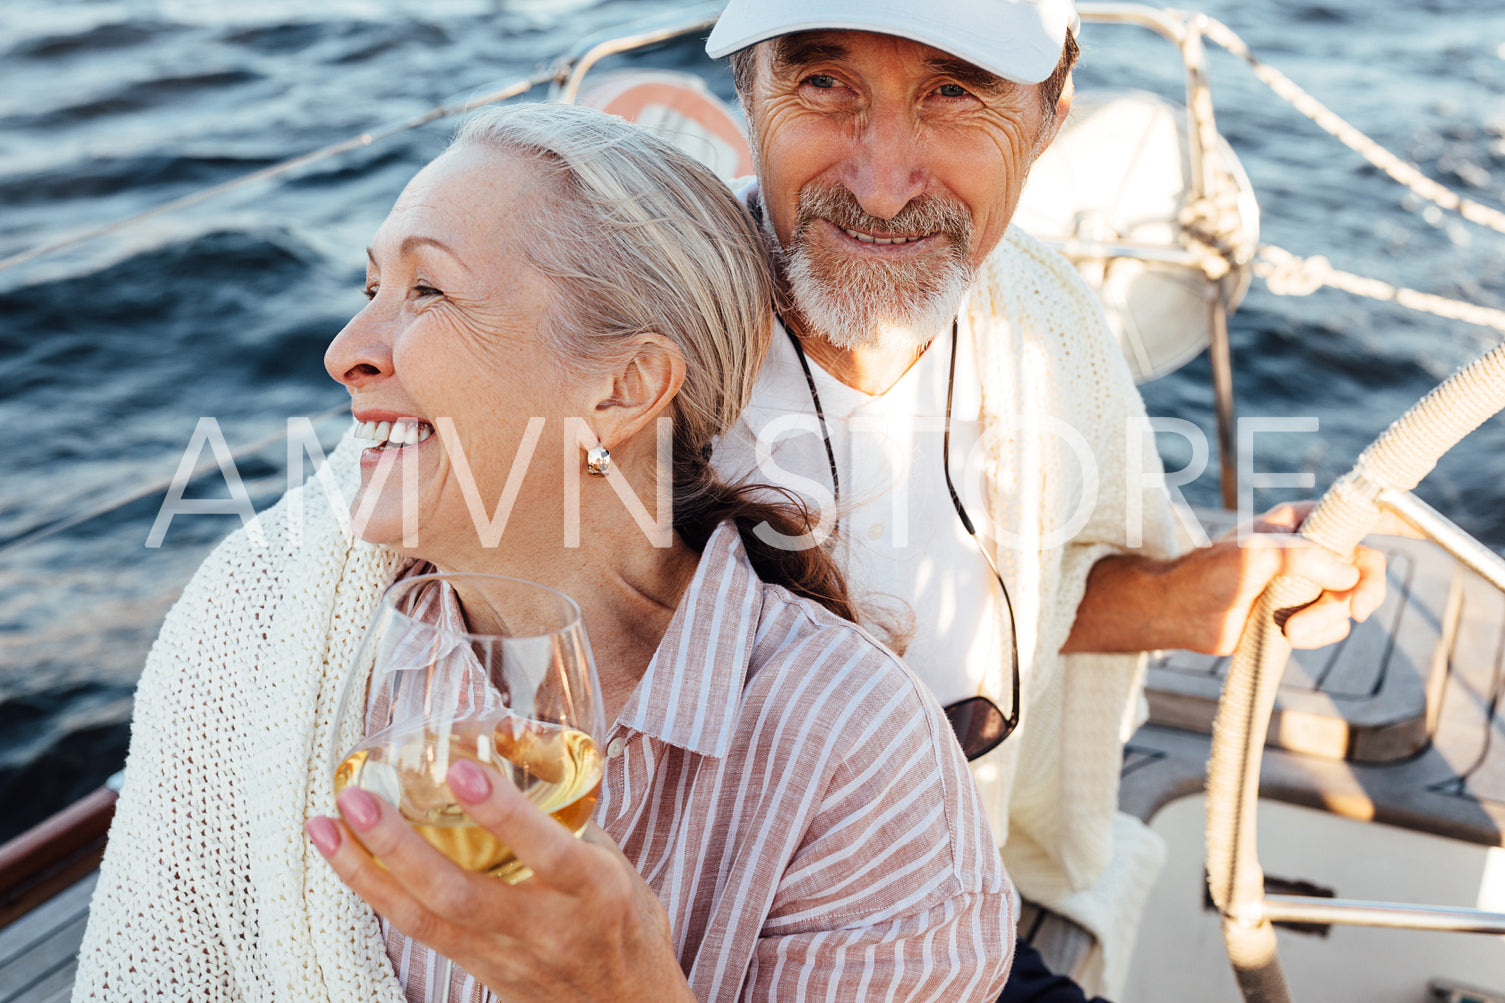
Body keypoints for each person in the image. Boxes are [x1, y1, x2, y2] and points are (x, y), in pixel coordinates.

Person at [72, 103, 1016, 1002]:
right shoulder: (266, 641)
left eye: (426, 289)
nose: (347, 350)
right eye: (371, 290)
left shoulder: (855, 753)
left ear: (624, 388)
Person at [701, 0, 1388, 997]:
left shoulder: (1043, 314)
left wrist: (1191, 598)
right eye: (821, 84)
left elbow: (1028, 594)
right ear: (746, 92)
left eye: (954, 92)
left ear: (1048, 118)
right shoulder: (635, 325)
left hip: (950, 913)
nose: (882, 186)